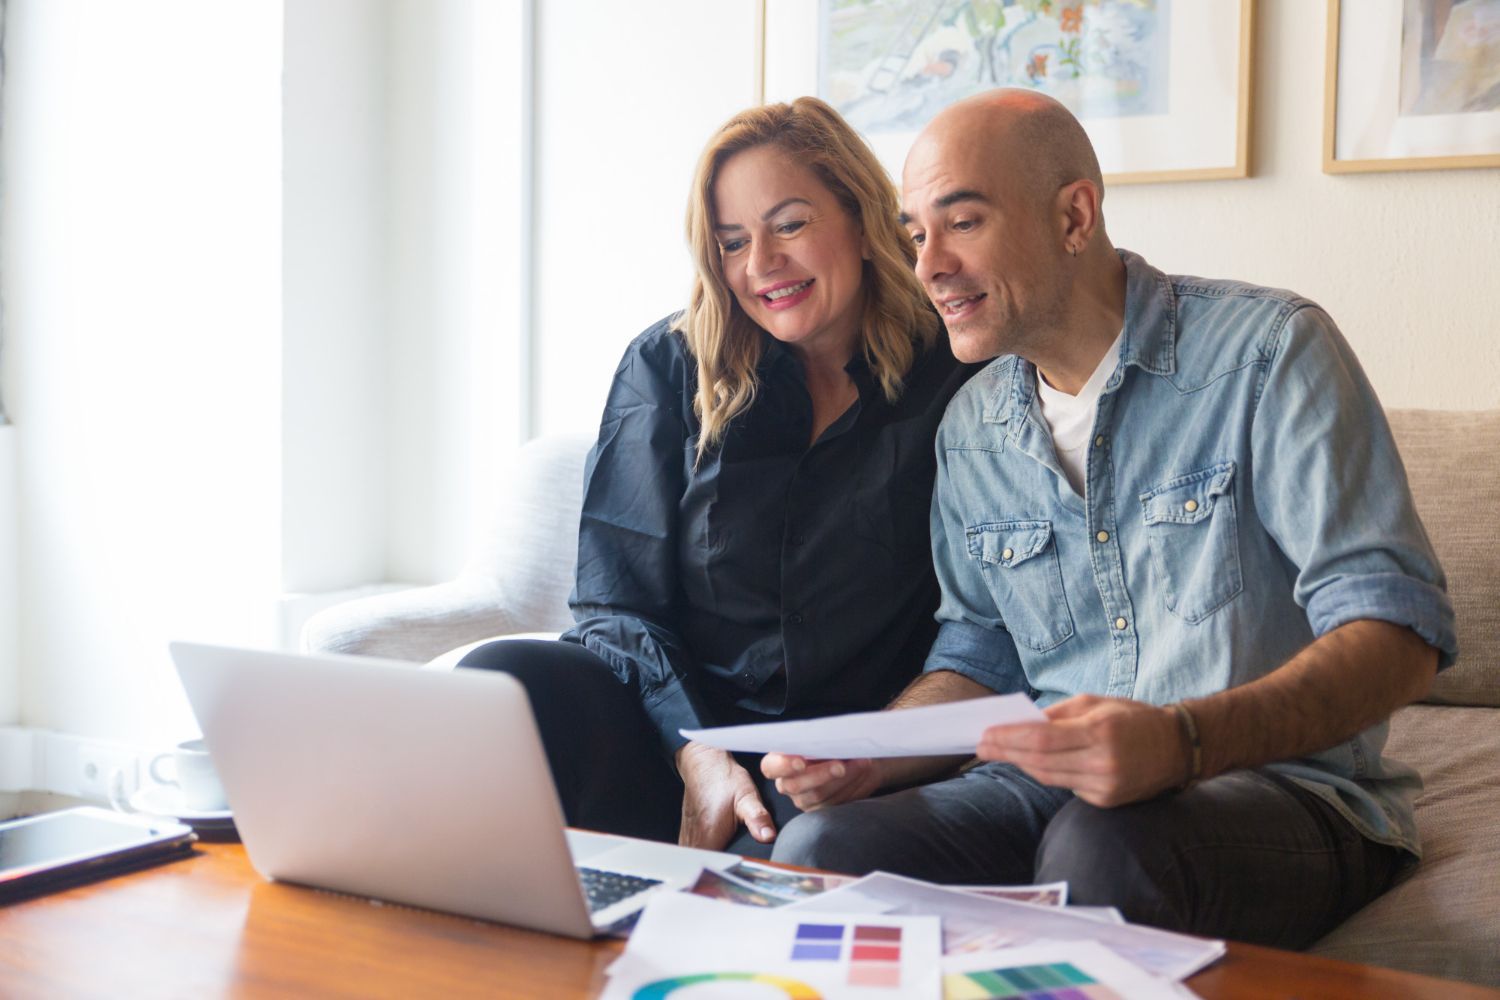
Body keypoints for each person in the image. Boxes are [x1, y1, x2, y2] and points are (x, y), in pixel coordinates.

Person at [763, 89, 1457, 948]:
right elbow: (980, 650)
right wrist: (877, 750)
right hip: (1055, 790)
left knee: (1101, 849)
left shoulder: (1270, 353)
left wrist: (1183, 741)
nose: (927, 265)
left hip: (1284, 790)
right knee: (821, 847)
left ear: (1075, 216)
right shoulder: (971, 427)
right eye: (915, 234)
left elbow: (1398, 631)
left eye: (963, 222)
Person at [459, 97, 978, 857]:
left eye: (790, 225)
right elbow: (615, 603)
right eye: (732, 242)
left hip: (841, 761)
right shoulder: (666, 367)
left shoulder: (960, 372)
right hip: (676, 733)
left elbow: (980, 624)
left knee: (794, 853)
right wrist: (698, 750)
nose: (760, 265)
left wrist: (871, 752)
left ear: (863, 220)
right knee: (499, 677)